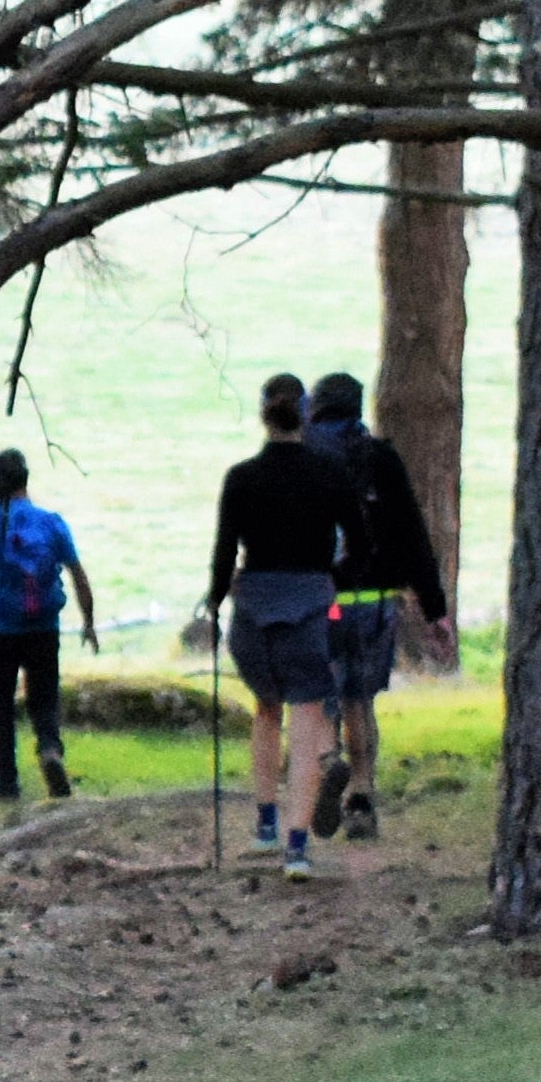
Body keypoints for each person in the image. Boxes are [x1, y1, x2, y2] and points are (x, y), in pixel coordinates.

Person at [204, 372, 354, 876]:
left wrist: (214, 605)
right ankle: (297, 848)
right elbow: (360, 541)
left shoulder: (240, 478)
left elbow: (224, 553)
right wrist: (332, 578)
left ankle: (265, 825)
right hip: (309, 608)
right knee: (307, 721)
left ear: (263, 414)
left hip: (253, 611)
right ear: (305, 413)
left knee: (266, 709)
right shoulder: (329, 473)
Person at [301, 372, 451, 840]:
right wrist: (435, 609)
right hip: (373, 603)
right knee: (359, 699)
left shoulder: (303, 459)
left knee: (320, 700)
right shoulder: (380, 459)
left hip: (318, 602)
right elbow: (411, 532)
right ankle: (361, 797)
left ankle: (329, 762)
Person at [0, 449, 96, 804]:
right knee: (44, 699)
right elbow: (78, 574)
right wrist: (89, 622)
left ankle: (7, 784)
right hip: (43, 627)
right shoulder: (50, 522)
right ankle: (49, 749)